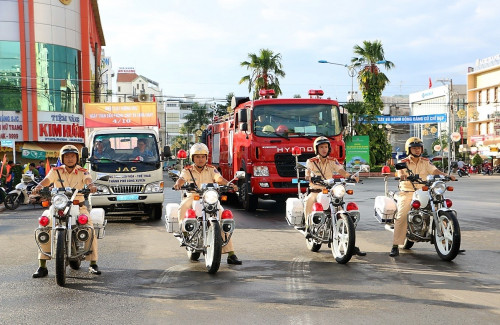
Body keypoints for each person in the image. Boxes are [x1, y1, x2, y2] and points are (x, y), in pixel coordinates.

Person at [32, 145, 101, 277]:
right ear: (62, 158)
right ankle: (42, 266)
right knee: (44, 226)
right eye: (67, 156)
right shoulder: (55, 171)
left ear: (77, 158)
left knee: (89, 228)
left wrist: (91, 186)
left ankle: (93, 263)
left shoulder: (82, 171)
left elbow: (88, 179)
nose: (70, 159)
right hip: (58, 206)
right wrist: (39, 186)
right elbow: (47, 180)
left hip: (78, 206)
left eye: (72, 156)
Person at [173, 143, 243, 265]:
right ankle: (184, 232)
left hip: (210, 197)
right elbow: (182, 178)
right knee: (183, 207)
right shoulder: (188, 170)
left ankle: (231, 254)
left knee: (222, 217)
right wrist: (178, 184)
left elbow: (219, 178)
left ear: (206, 158)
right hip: (193, 196)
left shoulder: (211, 169)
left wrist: (229, 184)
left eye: (203, 157)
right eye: (197, 157)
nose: (200, 159)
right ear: (193, 158)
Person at [390, 137, 456, 257]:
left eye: (419, 148)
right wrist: (403, 176)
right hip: (408, 191)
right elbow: (400, 171)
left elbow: (434, 170)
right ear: (409, 149)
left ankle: (451, 242)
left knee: (438, 208)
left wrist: (446, 175)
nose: (417, 150)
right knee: (402, 215)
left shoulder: (425, 161)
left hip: (425, 190)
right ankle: (395, 245)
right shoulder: (403, 161)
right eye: (414, 148)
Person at [304, 136, 365, 256]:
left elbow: (341, 171)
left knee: (341, 209)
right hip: (316, 191)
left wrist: (350, 176)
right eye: (321, 147)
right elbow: (307, 173)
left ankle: (350, 243)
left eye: (326, 147)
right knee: (309, 201)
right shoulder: (311, 161)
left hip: (329, 191)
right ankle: (308, 229)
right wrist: (310, 177)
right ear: (317, 149)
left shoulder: (332, 161)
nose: (324, 149)